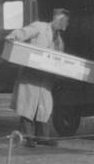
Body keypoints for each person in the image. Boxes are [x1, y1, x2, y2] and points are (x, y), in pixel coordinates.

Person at [5, 8, 70, 147]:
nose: (66, 24)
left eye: (67, 22)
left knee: (44, 107)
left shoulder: (59, 41)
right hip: (30, 76)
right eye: (64, 20)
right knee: (28, 107)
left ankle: (43, 137)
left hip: (45, 79)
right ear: (57, 18)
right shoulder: (39, 27)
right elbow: (22, 33)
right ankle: (27, 138)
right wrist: (11, 38)